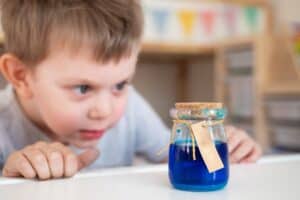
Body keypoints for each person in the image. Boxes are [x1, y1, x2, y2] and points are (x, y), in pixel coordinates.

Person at [0, 0, 261, 180]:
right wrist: (10, 181)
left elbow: (173, 156)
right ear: (20, 76)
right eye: (83, 88)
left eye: (120, 85)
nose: (105, 110)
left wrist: (223, 150)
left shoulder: (131, 107)